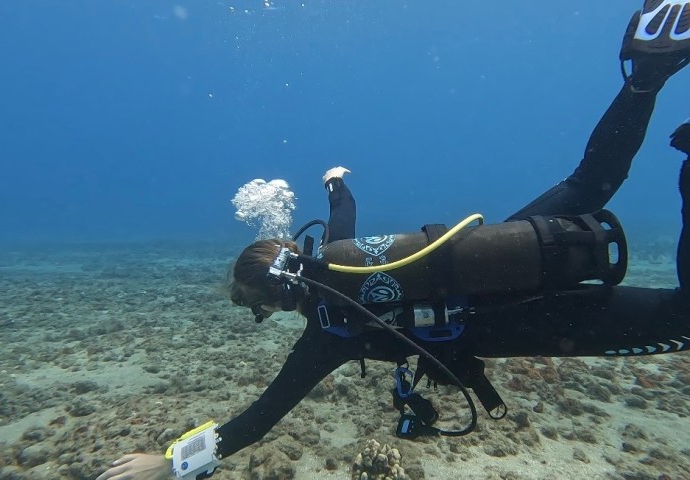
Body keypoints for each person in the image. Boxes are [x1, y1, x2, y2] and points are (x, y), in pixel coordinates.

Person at [97, 2, 690, 479]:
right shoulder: (337, 256)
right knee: (589, 182)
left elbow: (258, 418)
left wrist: (170, 462)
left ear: (277, 299)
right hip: (490, 248)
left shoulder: (329, 332)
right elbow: (345, 210)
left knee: (682, 317)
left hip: (525, 315)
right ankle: (648, 73)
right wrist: (333, 181)